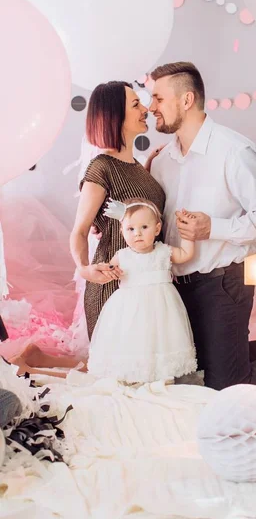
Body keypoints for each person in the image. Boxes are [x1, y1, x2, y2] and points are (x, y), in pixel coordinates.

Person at [147, 62, 256, 390]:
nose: (152, 107)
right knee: (185, 378)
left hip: (222, 284)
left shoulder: (234, 152)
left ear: (186, 100)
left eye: (158, 98)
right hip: (175, 288)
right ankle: (254, 348)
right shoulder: (162, 162)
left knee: (226, 386)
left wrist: (214, 229)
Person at [69, 81, 166, 339]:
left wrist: (148, 167)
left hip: (145, 288)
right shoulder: (101, 168)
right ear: (115, 116)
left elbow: (138, 208)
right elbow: (79, 231)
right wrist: (84, 268)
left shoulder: (138, 167)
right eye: (136, 104)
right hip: (114, 288)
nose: (145, 108)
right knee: (117, 376)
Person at [88, 197, 197, 384]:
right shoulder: (122, 256)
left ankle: (160, 373)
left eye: (144, 227)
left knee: (160, 337)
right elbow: (107, 273)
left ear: (157, 228)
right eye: (131, 229)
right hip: (130, 308)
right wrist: (109, 271)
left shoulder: (164, 251)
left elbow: (186, 254)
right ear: (122, 231)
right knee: (133, 338)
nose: (137, 234)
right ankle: (133, 374)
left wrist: (188, 236)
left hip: (161, 307)